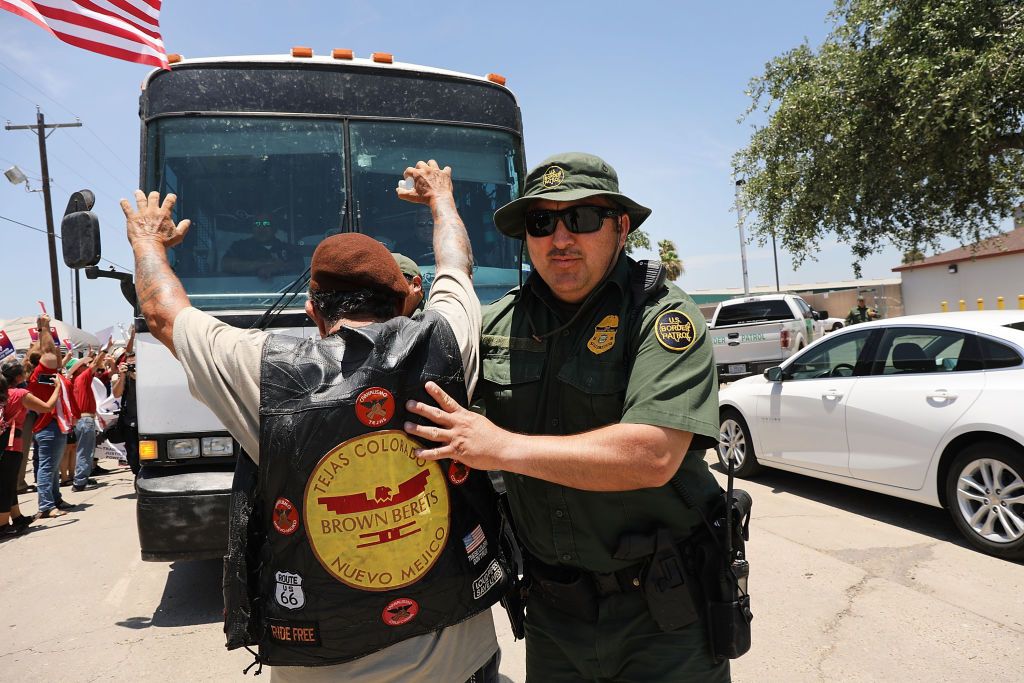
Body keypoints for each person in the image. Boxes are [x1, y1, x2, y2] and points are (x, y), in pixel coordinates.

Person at [121, 159, 508, 682]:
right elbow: (456, 265)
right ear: (404, 301)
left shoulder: (260, 369)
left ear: (311, 309)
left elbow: (164, 314)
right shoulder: (446, 342)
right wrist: (441, 198)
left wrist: (148, 242)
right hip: (463, 657)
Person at [404, 153, 731, 681]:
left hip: (662, 615)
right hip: (555, 613)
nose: (560, 239)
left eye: (581, 218)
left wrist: (500, 447)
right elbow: (447, 300)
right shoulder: (500, 324)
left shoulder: (662, 316)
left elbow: (651, 456)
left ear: (620, 228)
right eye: (542, 222)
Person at [1, 362, 62, 535]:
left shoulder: (4, 393)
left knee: (10, 482)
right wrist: (57, 387)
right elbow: (47, 407)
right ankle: (3, 526)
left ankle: (17, 517)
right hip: (12, 444)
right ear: (18, 377)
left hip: (3, 444)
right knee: (6, 485)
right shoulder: (20, 394)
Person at [27, 314, 76, 519]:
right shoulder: (42, 372)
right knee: (48, 467)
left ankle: (55, 499)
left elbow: (50, 351)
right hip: (50, 426)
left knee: (52, 466)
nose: (56, 353)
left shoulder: (45, 374)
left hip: (51, 426)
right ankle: (46, 505)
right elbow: (48, 350)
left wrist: (42, 331)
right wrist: (45, 328)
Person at [67, 339, 112, 491]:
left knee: (84, 450)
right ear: (79, 369)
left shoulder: (76, 381)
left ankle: (81, 478)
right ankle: (80, 482)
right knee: (85, 451)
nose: (88, 367)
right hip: (86, 420)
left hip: (82, 420)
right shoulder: (82, 378)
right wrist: (105, 350)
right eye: (84, 365)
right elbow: (95, 365)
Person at [221, 215, 303, 278]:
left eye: (266, 224)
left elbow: (299, 265)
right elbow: (226, 264)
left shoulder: (287, 248)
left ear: (274, 228)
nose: (261, 228)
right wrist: (262, 264)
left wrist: (277, 268)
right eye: (257, 224)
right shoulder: (240, 247)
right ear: (252, 228)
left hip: (283, 295)